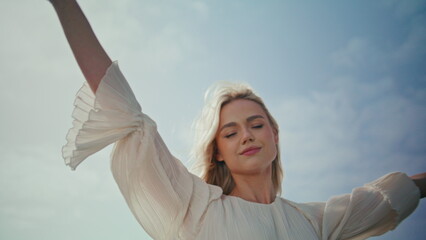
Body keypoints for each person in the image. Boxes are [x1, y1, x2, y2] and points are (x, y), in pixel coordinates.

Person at [49, 1, 426, 239]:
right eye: (230, 132)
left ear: (275, 136)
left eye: (257, 124)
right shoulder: (193, 206)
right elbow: (126, 112)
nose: (247, 135)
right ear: (217, 153)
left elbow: (389, 196)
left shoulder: (316, 222)